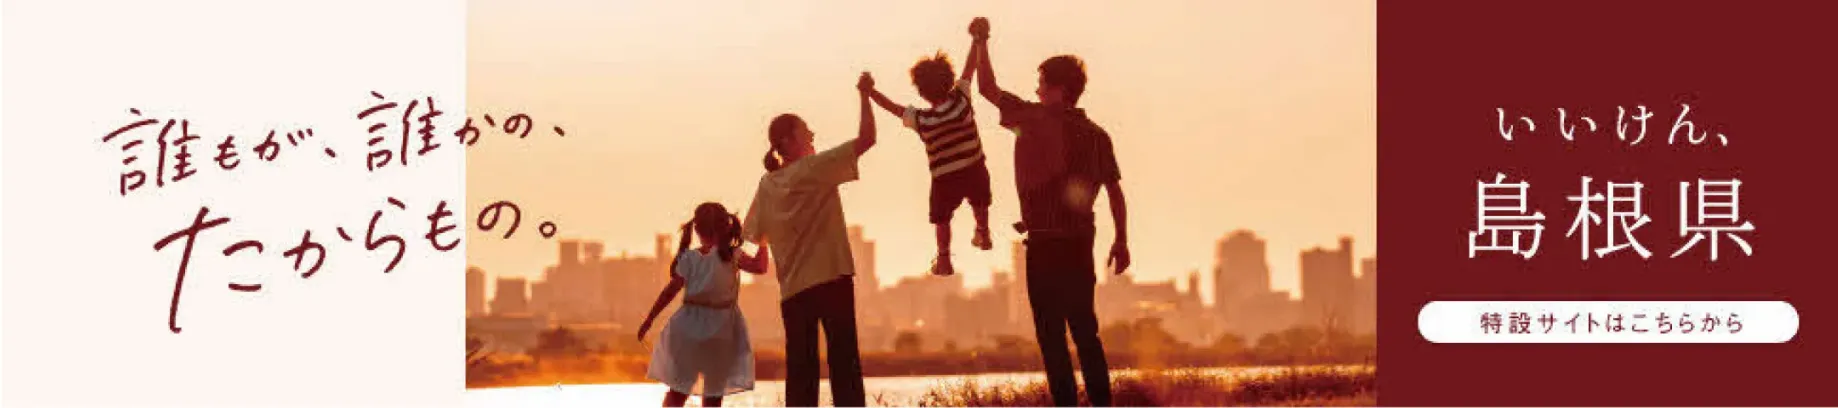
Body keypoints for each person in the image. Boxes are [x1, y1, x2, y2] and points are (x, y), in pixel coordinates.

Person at [968, 17, 1132, 407]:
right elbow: (1114, 190)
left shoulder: (1032, 119)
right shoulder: (1097, 135)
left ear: (1058, 89)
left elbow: (986, 88)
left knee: (1052, 337)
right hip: (1079, 244)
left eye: (1041, 83)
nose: (1036, 89)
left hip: (1044, 245)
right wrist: (1121, 240)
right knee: (1086, 333)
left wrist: (980, 40)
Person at [741, 73, 879, 407]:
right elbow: (867, 138)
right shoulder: (815, 168)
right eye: (806, 131)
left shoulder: (767, 185)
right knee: (844, 363)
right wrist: (865, 94)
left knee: (800, 372)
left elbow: (754, 240)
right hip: (832, 279)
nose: (813, 134)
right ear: (788, 141)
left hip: (793, 292)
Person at [861, 47, 995, 277]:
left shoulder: (922, 119)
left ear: (922, 93)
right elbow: (970, 66)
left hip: (944, 179)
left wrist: (870, 92)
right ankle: (983, 231)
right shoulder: (961, 100)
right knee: (980, 202)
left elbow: (892, 107)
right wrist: (976, 40)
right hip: (974, 168)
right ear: (949, 80)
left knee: (941, 219)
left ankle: (944, 259)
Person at [637, 202, 771, 407]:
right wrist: (763, 241)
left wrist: (649, 319)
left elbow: (670, 291)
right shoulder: (733, 255)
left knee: (678, 390)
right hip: (722, 331)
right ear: (726, 227)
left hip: (688, 329)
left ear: (697, 230)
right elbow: (761, 267)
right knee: (713, 394)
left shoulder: (690, 258)